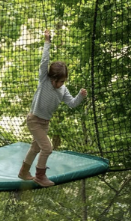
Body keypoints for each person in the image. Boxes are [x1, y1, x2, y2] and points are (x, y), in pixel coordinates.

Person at [20, 30, 87, 187]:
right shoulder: (44, 80)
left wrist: (80, 96)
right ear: (52, 78)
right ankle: (40, 175)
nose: (61, 84)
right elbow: (44, 61)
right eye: (59, 81)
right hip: (34, 120)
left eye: (63, 81)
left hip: (45, 123)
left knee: (35, 148)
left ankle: (23, 172)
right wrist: (47, 42)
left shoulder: (63, 90)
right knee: (47, 148)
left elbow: (72, 103)